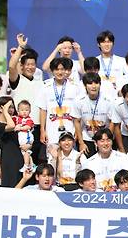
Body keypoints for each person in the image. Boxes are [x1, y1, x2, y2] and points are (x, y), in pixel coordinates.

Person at [8, 34, 44, 163]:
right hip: (20, 129)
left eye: (33, 64)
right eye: (27, 64)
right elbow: (12, 66)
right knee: (21, 163)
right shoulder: (17, 80)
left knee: (37, 164)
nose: (30, 67)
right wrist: (20, 47)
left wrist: (43, 129)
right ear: (22, 66)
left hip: (37, 128)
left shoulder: (41, 83)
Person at [37, 57, 81, 150]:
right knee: (52, 161)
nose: (60, 72)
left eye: (62, 69)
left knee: (70, 161)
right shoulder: (45, 87)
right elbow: (43, 110)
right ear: (52, 71)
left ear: (66, 70)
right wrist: (42, 130)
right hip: (51, 132)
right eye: (56, 69)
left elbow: (78, 112)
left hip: (70, 131)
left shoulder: (74, 88)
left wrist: (78, 131)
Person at [71, 72, 114, 157]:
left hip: (104, 139)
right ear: (85, 85)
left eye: (96, 83)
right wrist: (81, 143)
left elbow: (112, 121)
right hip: (86, 139)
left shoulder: (109, 100)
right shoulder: (78, 100)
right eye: (90, 83)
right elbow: (76, 122)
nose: (93, 86)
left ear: (100, 84)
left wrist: (107, 140)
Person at [0, 96, 23, 187]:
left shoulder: (16, 122)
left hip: (19, 159)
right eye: (8, 107)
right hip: (8, 161)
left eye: (12, 107)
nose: (11, 110)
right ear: (0, 108)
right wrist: (5, 112)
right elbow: (11, 126)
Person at [13, 100, 35, 171]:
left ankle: (26, 166)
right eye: (22, 110)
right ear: (18, 111)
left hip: (26, 136)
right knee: (26, 153)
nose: (24, 112)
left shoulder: (29, 119)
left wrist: (20, 128)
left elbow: (28, 127)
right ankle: (32, 165)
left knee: (26, 152)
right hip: (21, 136)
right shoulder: (16, 118)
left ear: (30, 111)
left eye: (27, 110)